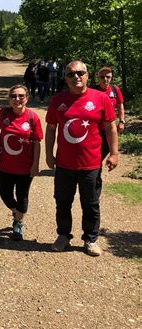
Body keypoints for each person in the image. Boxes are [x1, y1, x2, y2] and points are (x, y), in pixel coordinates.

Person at [45, 61, 118, 257]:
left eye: (80, 73)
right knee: (62, 201)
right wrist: (48, 154)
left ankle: (91, 239)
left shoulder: (100, 98)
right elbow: (51, 128)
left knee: (91, 203)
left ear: (87, 76)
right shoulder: (57, 101)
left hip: (91, 163)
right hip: (64, 164)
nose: (76, 77)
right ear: (65, 78)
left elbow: (111, 128)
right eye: (71, 74)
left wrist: (114, 153)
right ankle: (63, 236)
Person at [0, 85, 43, 240]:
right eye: (13, 96)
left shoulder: (32, 117)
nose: (17, 99)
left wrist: (35, 165)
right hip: (5, 165)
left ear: (26, 98)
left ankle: (18, 223)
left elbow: (36, 142)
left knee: (22, 196)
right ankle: (17, 212)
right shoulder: (3, 114)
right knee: (5, 195)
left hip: (25, 167)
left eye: (21, 96)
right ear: (9, 99)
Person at [92, 65, 125, 159]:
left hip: (109, 129)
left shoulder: (115, 90)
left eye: (108, 77)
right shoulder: (92, 90)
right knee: (94, 154)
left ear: (111, 78)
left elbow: (120, 105)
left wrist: (122, 121)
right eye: (102, 77)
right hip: (95, 129)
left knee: (104, 152)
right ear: (98, 77)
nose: (105, 79)